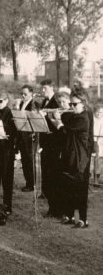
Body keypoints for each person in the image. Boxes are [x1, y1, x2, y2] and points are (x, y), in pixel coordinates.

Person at [52, 93, 91, 228]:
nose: (71, 107)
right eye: (71, 104)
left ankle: (83, 219)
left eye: (75, 104)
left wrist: (59, 123)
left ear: (83, 104)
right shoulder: (73, 115)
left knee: (79, 188)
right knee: (68, 186)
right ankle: (70, 216)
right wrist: (58, 115)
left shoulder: (83, 118)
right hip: (70, 155)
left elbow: (67, 130)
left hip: (80, 157)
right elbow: (66, 121)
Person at [0, 93, 16, 214]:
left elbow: (12, 130)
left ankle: (7, 206)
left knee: (7, 179)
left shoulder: (10, 113)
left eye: (0, 101)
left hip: (7, 150)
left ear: (6, 101)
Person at [39, 79, 61, 216]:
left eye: (45, 88)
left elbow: (57, 125)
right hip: (46, 145)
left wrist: (45, 117)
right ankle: (51, 206)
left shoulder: (56, 103)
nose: (43, 91)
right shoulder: (44, 102)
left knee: (53, 177)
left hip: (54, 145)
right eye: (42, 89)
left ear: (52, 88)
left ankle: (55, 209)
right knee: (46, 176)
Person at [16, 84, 36, 192]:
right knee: (24, 160)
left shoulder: (34, 103)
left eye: (25, 94)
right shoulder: (22, 104)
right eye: (22, 94)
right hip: (22, 135)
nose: (23, 96)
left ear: (31, 93)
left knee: (29, 160)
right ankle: (28, 182)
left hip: (30, 136)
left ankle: (31, 184)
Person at [92, 103, 103, 185]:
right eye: (97, 112)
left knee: (100, 160)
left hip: (101, 140)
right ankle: (95, 178)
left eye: (101, 112)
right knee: (96, 158)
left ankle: (98, 178)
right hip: (94, 140)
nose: (99, 114)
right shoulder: (92, 119)